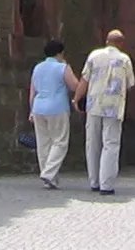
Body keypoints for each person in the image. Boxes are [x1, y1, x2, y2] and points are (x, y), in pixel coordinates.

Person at [81, 30, 135, 195]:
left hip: (94, 103)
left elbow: (85, 79)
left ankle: (94, 181)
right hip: (113, 105)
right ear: (121, 43)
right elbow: (130, 83)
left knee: (92, 143)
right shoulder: (124, 59)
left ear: (106, 41)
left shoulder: (94, 56)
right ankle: (106, 184)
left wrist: (77, 99)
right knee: (110, 144)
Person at [28, 39, 78, 189]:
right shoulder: (62, 67)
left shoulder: (37, 68)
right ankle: (49, 173)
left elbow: (32, 92)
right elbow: (75, 85)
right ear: (60, 53)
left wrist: (31, 110)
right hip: (57, 107)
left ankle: (49, 178)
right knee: (60, 142)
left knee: (43, 144)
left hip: (38, 107)